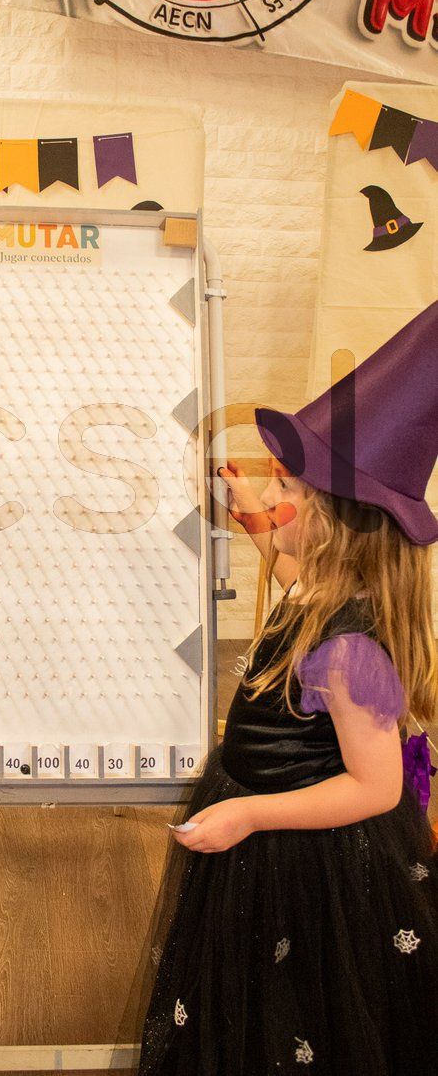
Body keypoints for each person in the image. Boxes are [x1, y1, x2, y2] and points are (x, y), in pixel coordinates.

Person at [127, 302, 438, 1075]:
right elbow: (290, 562)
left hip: (303, 853)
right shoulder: (320, 580)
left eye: (284, 483)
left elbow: (376, 786)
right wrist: (254, 516)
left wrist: (249, 814)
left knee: (299, 1010)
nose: (269, 489)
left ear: (333, 520)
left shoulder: (350, 650)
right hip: (266, 828)